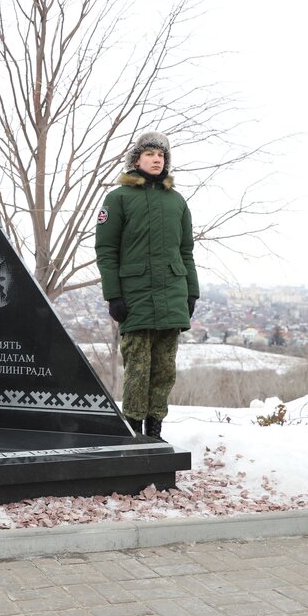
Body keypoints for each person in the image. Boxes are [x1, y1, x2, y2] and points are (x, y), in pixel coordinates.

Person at [94, 131, 199, 441]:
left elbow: (186, 251)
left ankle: (155, 432)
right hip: (135, 298)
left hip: (172, 296)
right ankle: (133, 432)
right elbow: (106, 250)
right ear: (136, 159)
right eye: (150, 154)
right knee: (138, 369)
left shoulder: (177, 201)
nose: (157, 159)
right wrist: (113, 295)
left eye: (161, 155)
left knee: (164, 371)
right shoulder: (118, 199)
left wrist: (192, 292)